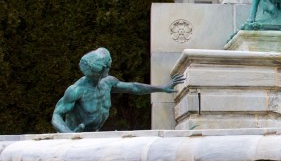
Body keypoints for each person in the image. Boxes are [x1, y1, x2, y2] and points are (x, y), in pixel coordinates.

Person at [52, 48, 185, 133]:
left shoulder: (107, 82)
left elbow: (134, 87)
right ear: (100, 70)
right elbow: (56, 115)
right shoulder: (76, 90)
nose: (109, 67)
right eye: (107, 66)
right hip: (73, 139)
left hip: (93, 135)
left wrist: (162, 88)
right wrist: (67, 133)